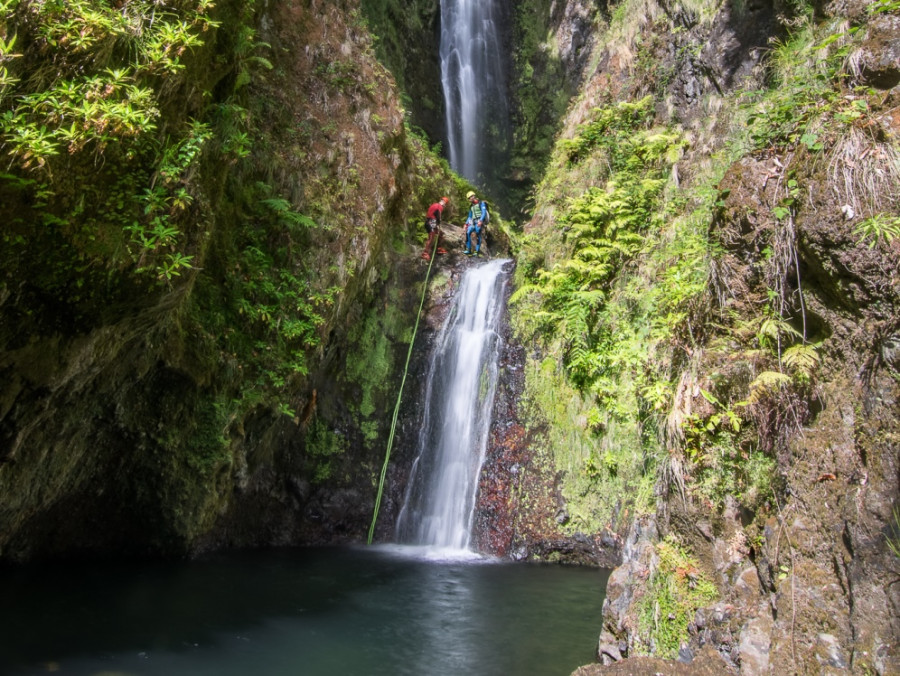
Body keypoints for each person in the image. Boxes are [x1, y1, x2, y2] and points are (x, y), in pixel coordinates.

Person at [422, 196, 450, 260]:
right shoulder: (439, 206)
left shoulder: (434, 204)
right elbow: (438, 214)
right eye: (445, 204)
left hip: (430, 222)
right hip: (431, 222)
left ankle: (438, 248)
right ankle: (425, 253)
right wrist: (439, 221)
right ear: (444, 203)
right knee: (431, 238)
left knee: (440, 234)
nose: (444, 206)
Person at [464, 190, 489, 256]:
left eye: (471, 196)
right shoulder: (471, 206)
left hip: (479, 221)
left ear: (474, 196)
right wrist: (466, 224)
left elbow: (483, 213)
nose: (470, 198)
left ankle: (477, 251)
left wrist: (480, 221)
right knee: (468, 232)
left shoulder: (481, 203)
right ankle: (469, 249)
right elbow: (469, 216)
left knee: (478, 233)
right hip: (473, 221)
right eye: (469, 198)